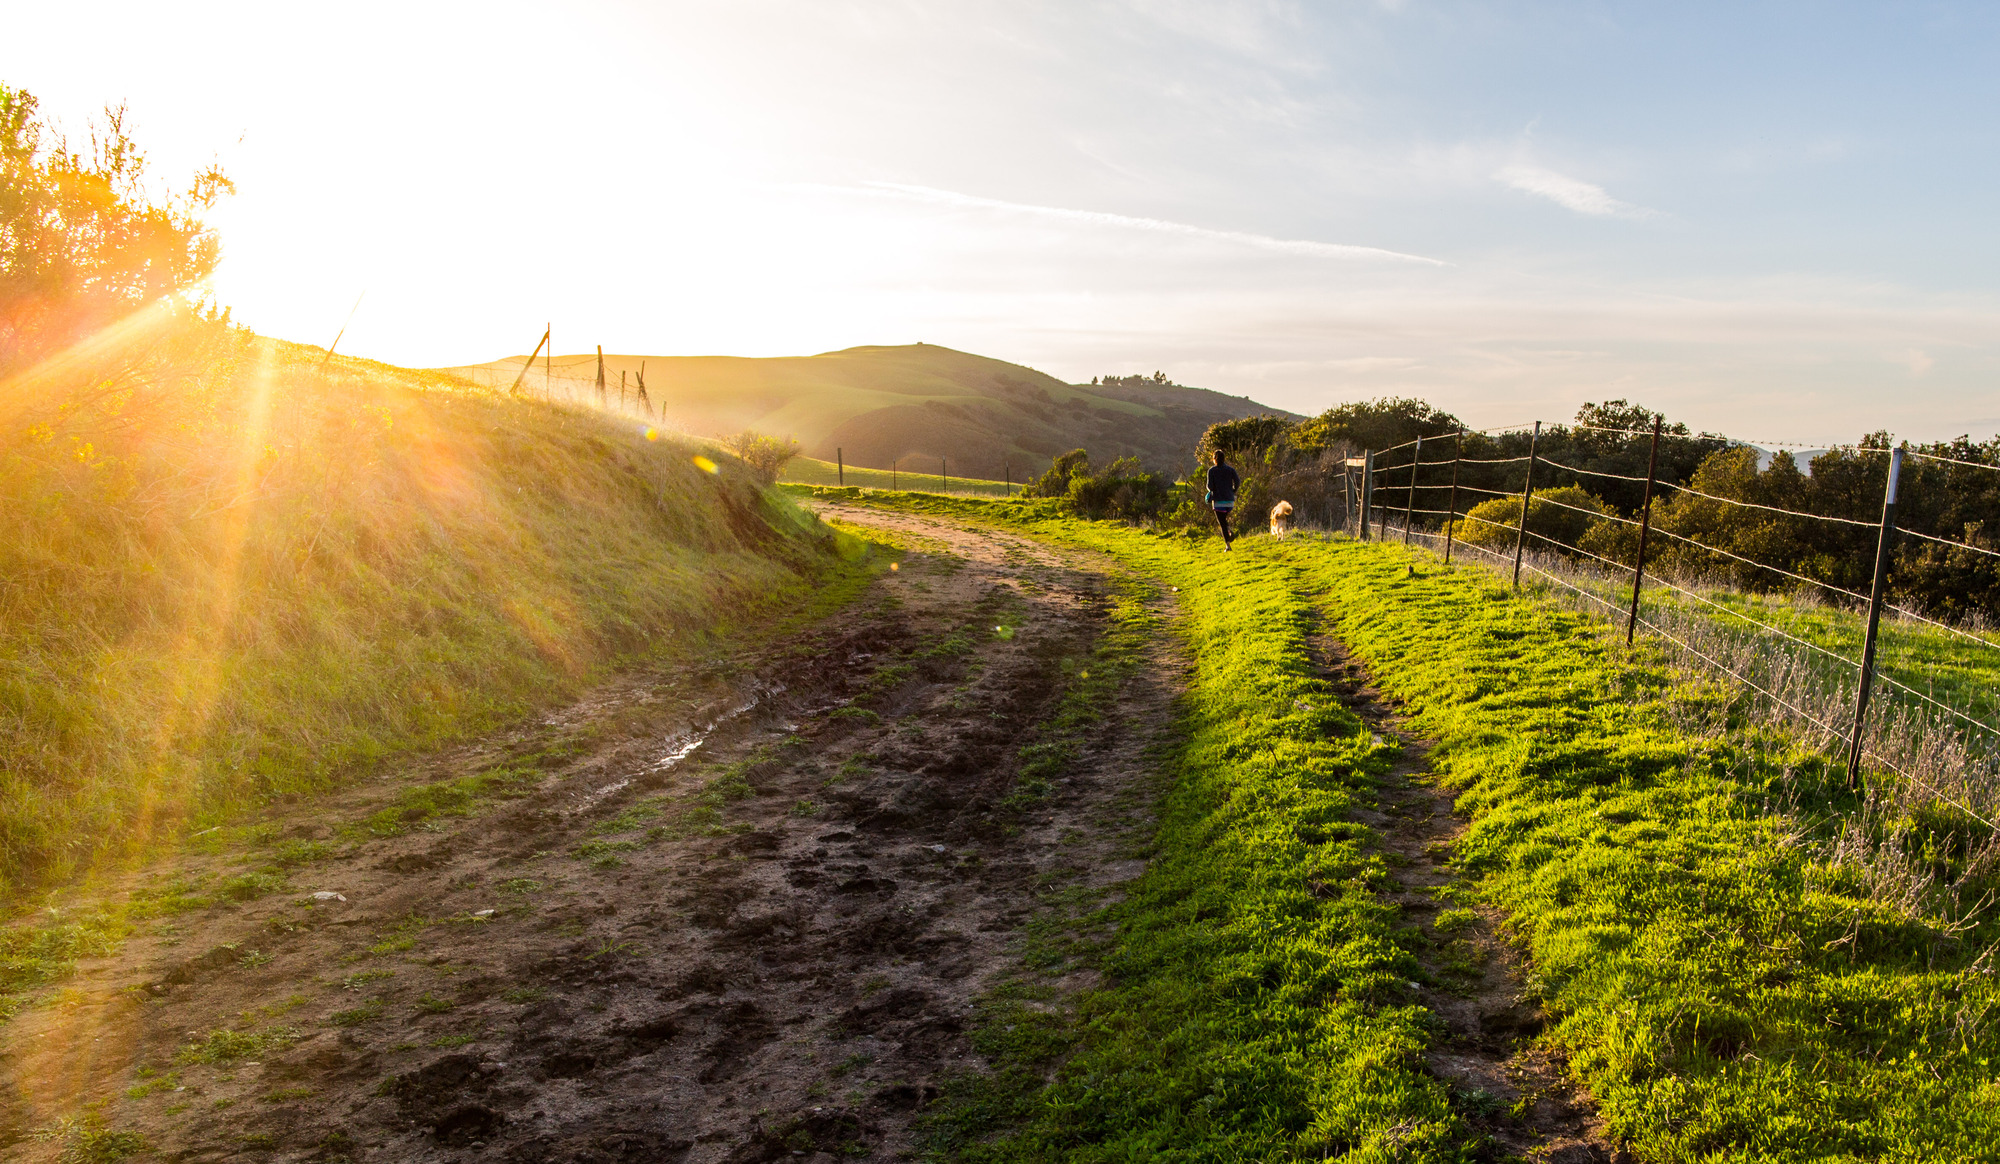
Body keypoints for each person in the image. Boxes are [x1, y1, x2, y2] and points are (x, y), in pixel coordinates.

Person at [1204, 450, 1241, 550]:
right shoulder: (1231, 470)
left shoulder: (1211, 471)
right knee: (1223, 519)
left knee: (1222, 523)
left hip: (1218, 501)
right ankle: (1229, 530)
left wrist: (1212, 489)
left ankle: (1228, 546)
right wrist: (1233, 490)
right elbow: (1237, 481)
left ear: (1214, 459)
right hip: (1230, 501)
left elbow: (1210, 486)